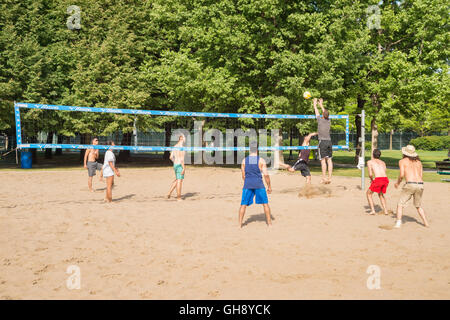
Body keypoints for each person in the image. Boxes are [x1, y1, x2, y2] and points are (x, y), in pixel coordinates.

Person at [394, 145, 429, 228]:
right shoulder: (419, 162)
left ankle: (398, 223)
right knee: (418, 206)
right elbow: (421, 175)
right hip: (420, 185)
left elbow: (402, 175)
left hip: (410, 184)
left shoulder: (402, 161)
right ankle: (426, 222)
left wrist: (397, 183)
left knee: (400, 204)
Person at [239, 141, 272, 228]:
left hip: (248, 184)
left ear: (249, 149)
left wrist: (248, 181)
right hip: (259, 184)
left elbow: (243, 176)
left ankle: (239, 225)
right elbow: (266, 175)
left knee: (243, 205)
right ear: (257, 148)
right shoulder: (261, 160)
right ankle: (269, 224)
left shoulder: (244, 160)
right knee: (265, 204)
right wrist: (269, 187)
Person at [313, 98, 333, 184]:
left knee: (323, 161)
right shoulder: (329, 121)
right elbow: (325, 112)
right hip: (329, 141)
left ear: (322, 115)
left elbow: (316, 111)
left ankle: (324, 178)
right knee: (329, 160)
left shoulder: (320, 120)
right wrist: (321, 104)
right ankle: (329, 178)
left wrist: (315, 104)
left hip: (323, 142)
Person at [366, 149, 389, 215]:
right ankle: (385, 211)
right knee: (381, 194)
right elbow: (384, 171)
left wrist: (372, 180)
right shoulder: (383, 162)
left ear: (373, 155)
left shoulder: (370, 162)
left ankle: (373, 210)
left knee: (368, 194)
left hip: (378, 179)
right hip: (385, 179)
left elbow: (370, 174)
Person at [167, 134, 186, 201]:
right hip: (180, 165)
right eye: (184, 138)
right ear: (182, 139)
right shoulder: (181, 147)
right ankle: (178, 197)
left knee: (177, 179)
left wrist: (175, 162)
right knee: (179, 181)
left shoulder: (175, 146)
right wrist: (183, 168)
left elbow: (170, 157)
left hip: (175, 165)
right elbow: (181, 159)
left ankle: (169, 192)